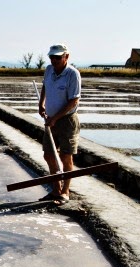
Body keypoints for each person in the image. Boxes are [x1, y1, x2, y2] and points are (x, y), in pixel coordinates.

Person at [38, 44, 81, 204]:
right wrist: (41, 103)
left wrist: (55, 118)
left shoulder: (72, 74)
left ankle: (65, 192)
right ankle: (56, 189)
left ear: (66, 57)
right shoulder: (49, 70)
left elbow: (73, 100)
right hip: (50, 119)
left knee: (65, 156)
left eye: (57, 57)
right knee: (48, 155)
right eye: (52, 57)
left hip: (67, 121)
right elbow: (44, 86)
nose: (54, 60)